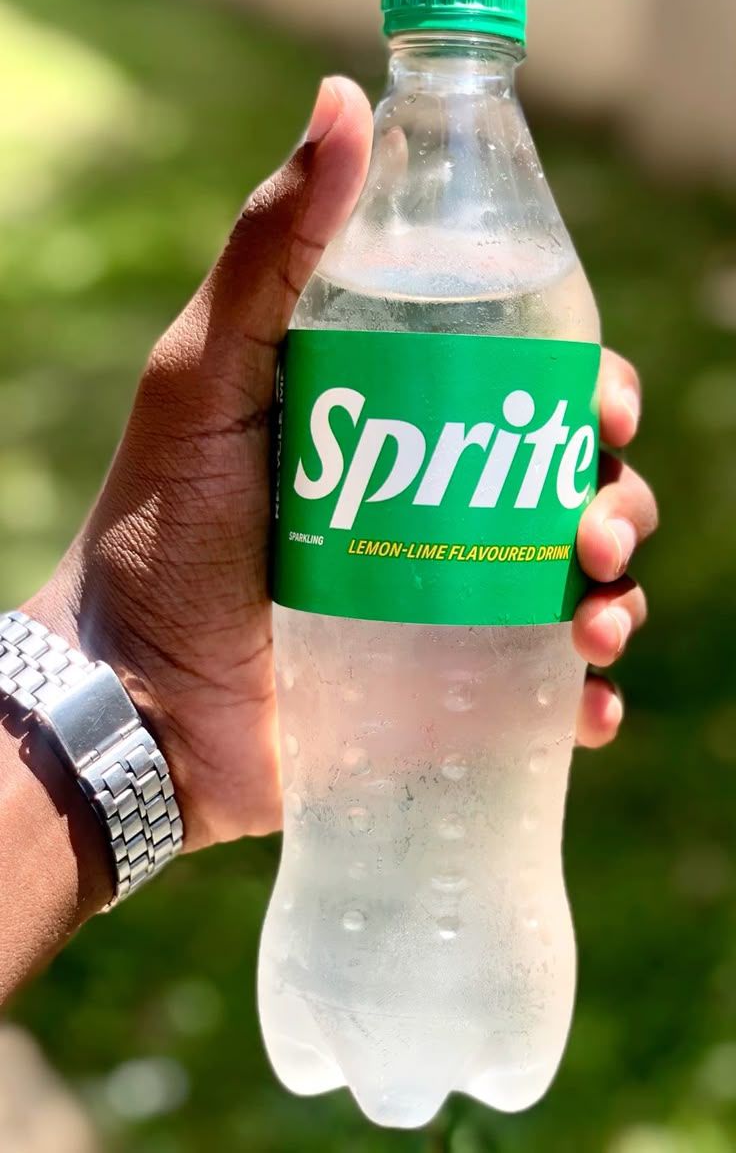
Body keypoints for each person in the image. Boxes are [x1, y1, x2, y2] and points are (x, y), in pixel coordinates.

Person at [0, 77, 657, 1003]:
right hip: (337, 925)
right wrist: (138, 682)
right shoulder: (368, 272)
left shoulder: (529, 264)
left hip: (499, 959)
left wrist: (147, 713)